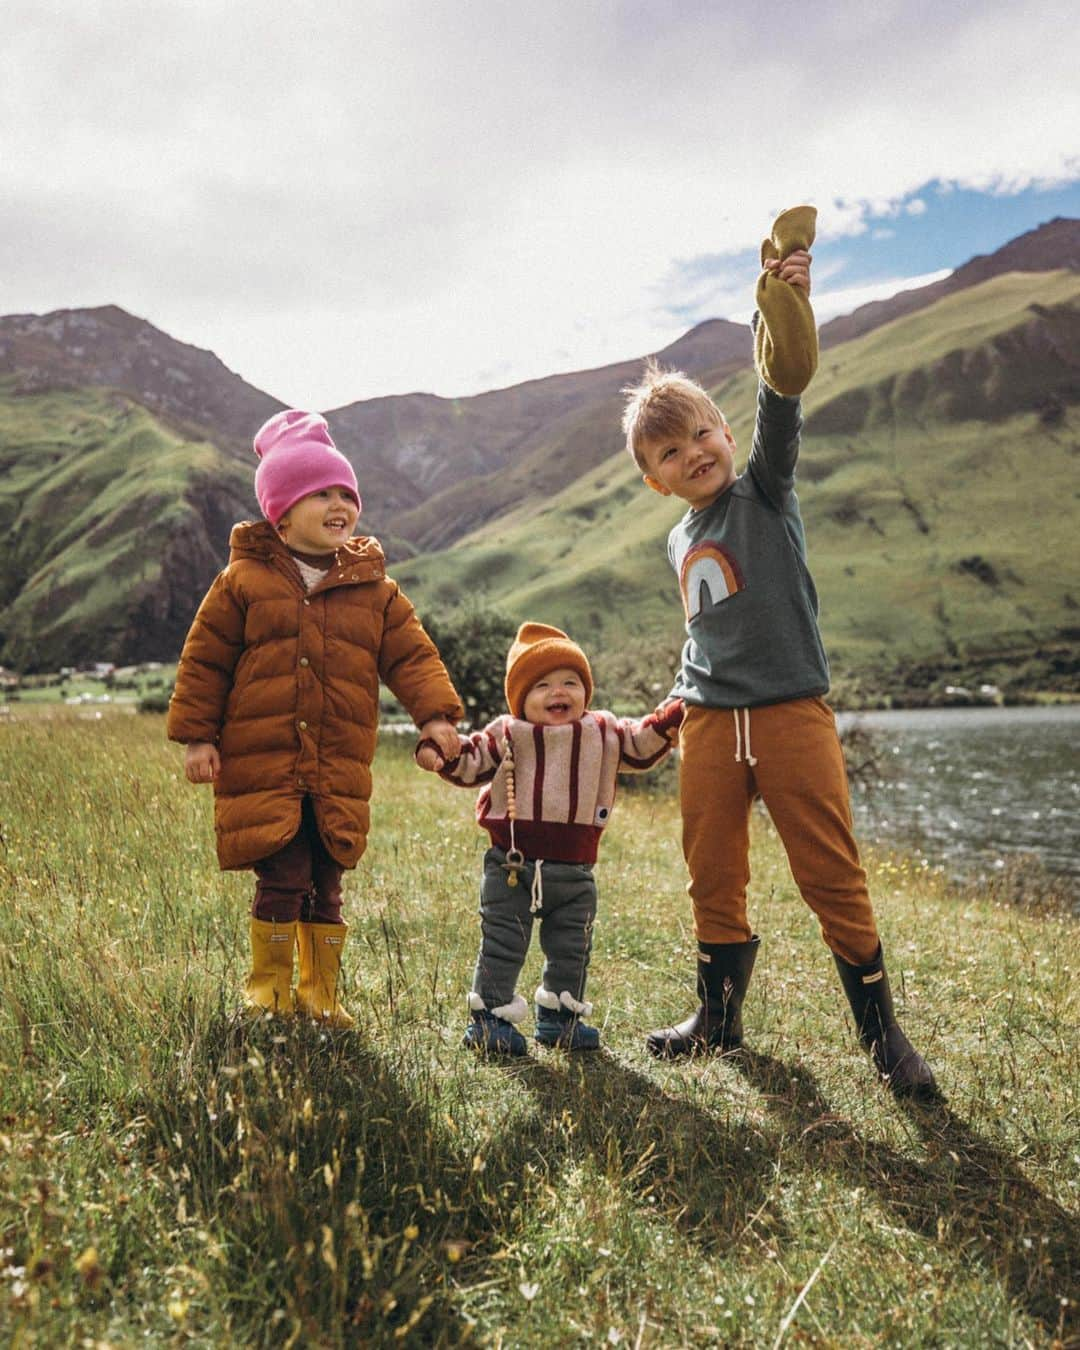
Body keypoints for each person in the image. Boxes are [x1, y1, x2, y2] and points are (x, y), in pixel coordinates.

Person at [620, 206, 937, 1096]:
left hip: (792, 711)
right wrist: (673, 713)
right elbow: (704, 634)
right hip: (711, 725)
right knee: (710, 871)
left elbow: (783, 395)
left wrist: (785, 304)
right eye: (671, 452)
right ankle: (717, 1018)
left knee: (829, 871)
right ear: (655, 479)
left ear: (726, 429)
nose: (694, 454)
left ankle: (884, 1039)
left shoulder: (765, 488)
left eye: (702, 435)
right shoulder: (677, 541)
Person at [167, 409, 463, 1027]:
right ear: (281, 511)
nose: (338, 505)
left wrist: (436, 717)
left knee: (327, 882)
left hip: (336, 767)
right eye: (319, 493)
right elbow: (205, 660)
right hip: (265, 762)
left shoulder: (374, 589)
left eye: (345, 494)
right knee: (283, 877)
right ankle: (268, 992)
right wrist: (198, 736)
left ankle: (320, 995)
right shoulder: (241, 581)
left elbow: (412, 656)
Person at [416, 622, 682, 1056]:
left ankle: (559, 1018)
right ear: (520, 699)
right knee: (503, 940)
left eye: (570, 682)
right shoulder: (507, 733)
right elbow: (468, 759)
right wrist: (440, 753)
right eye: (541, 685)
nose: (558, 692)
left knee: (572, 944)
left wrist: (671, 717)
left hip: (574, 870)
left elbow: (643, 742)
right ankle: (490, 1019)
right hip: (512, 864)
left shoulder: (605, 732)